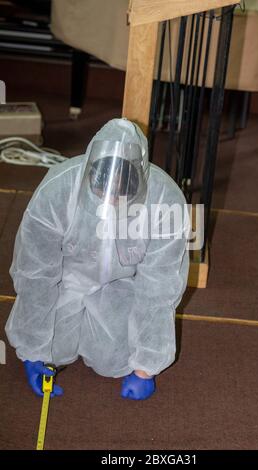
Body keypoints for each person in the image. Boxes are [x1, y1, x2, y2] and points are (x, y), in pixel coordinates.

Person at [5, 118, 189, 401]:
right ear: (90, 171)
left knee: (114, 363)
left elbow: (160, 286)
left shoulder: (165, 201)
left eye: (121, 193)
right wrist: (33, 350)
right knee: (52, 352)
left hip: (121, 284)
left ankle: (110, 339)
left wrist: (145, 368)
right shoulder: (58, 188)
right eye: (103, 191)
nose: (110, 202)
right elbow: (36, 272)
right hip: (65, 278)